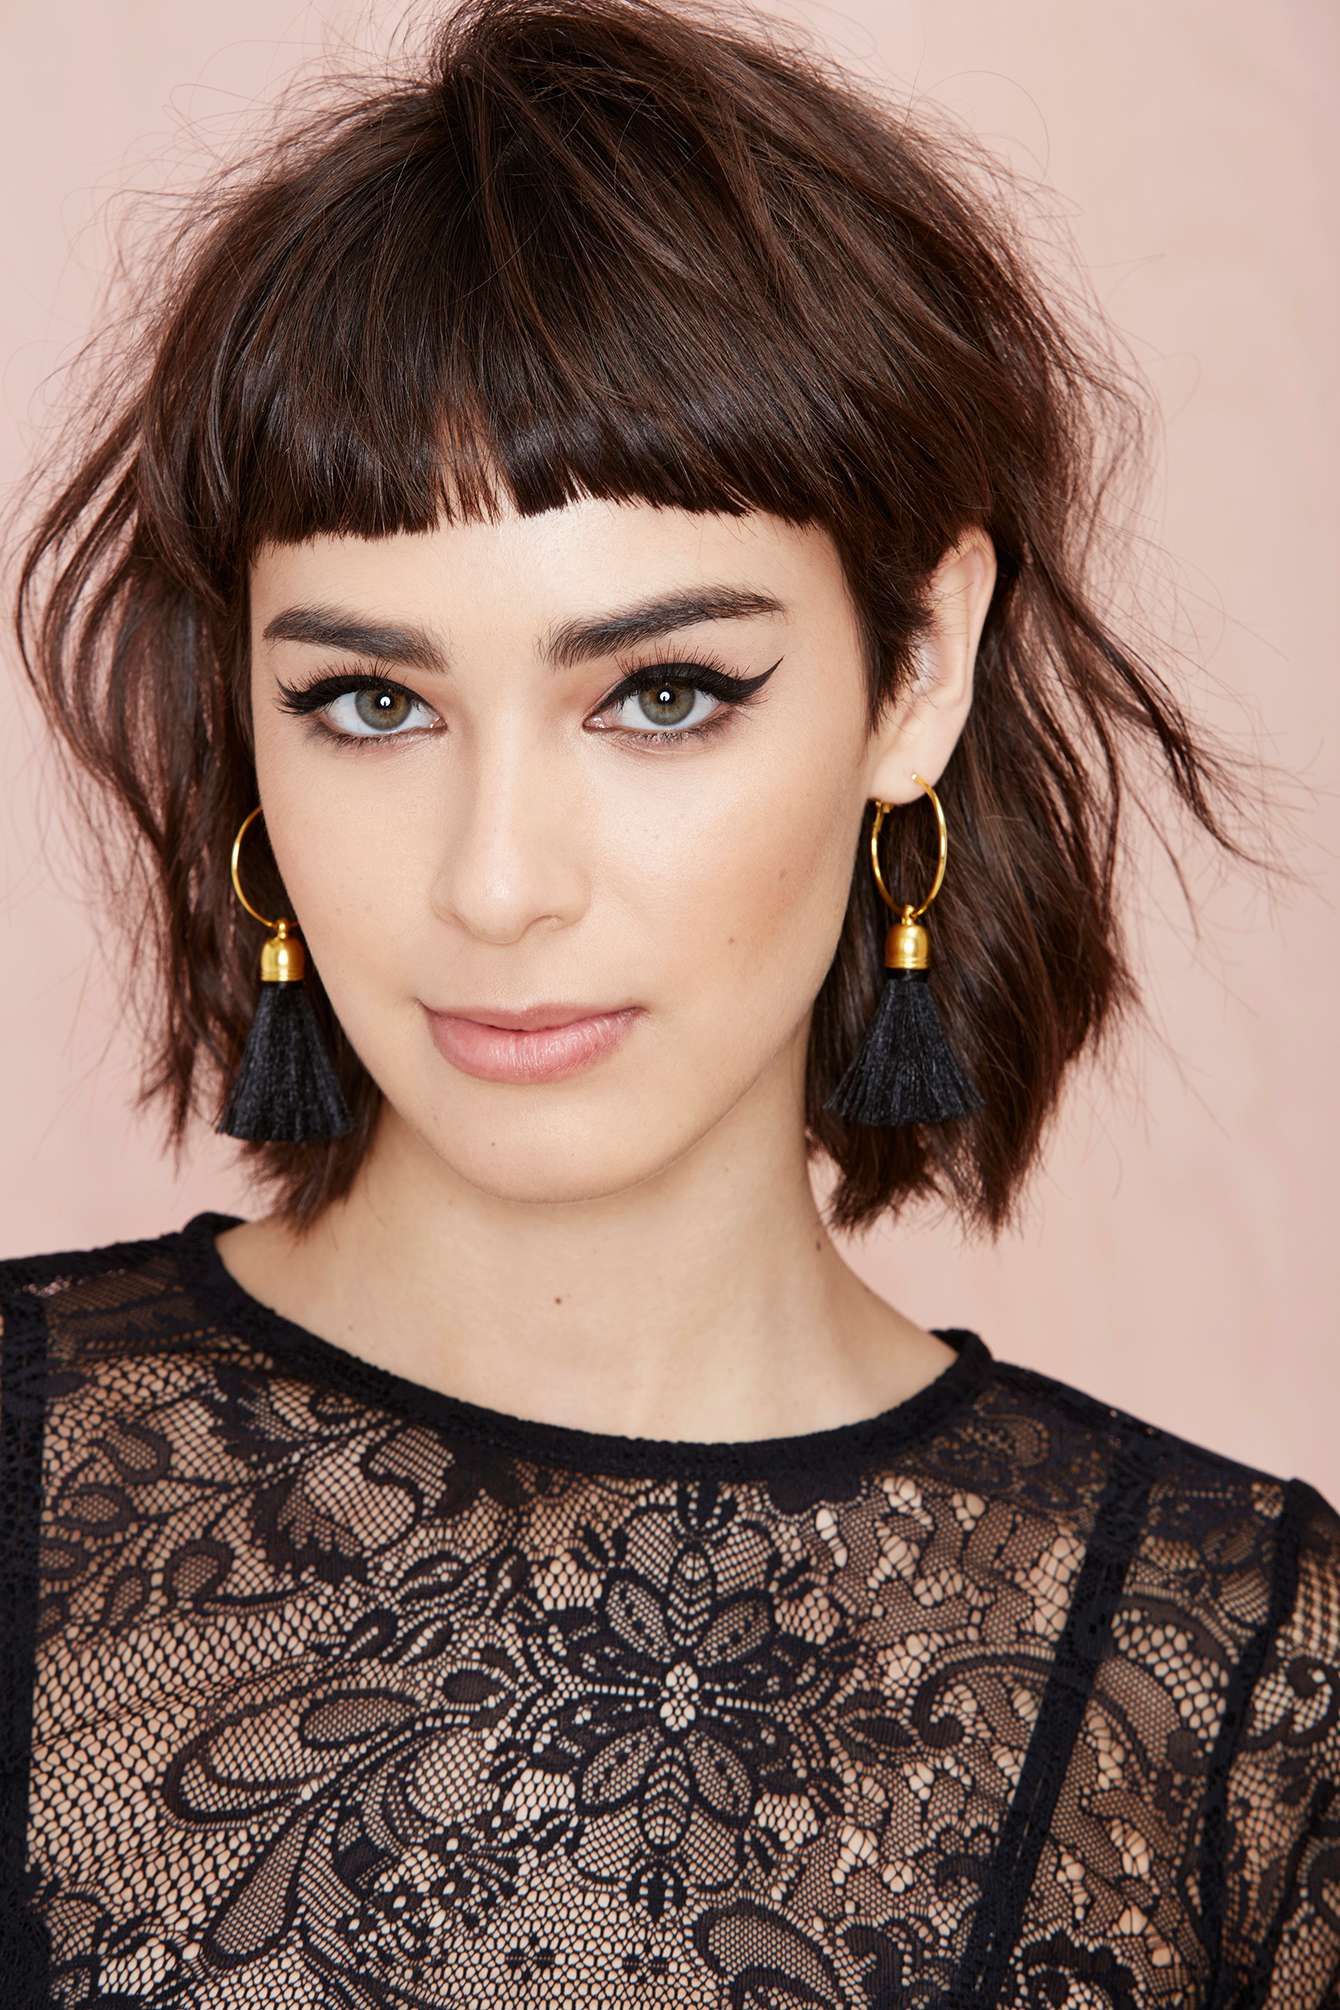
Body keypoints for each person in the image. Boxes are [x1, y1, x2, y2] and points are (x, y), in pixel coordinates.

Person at [2, 0, 1335, 2002]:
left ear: (917, 672)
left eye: (661, 693)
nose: (496, 882)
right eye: (367, 701)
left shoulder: (1241, 1704)